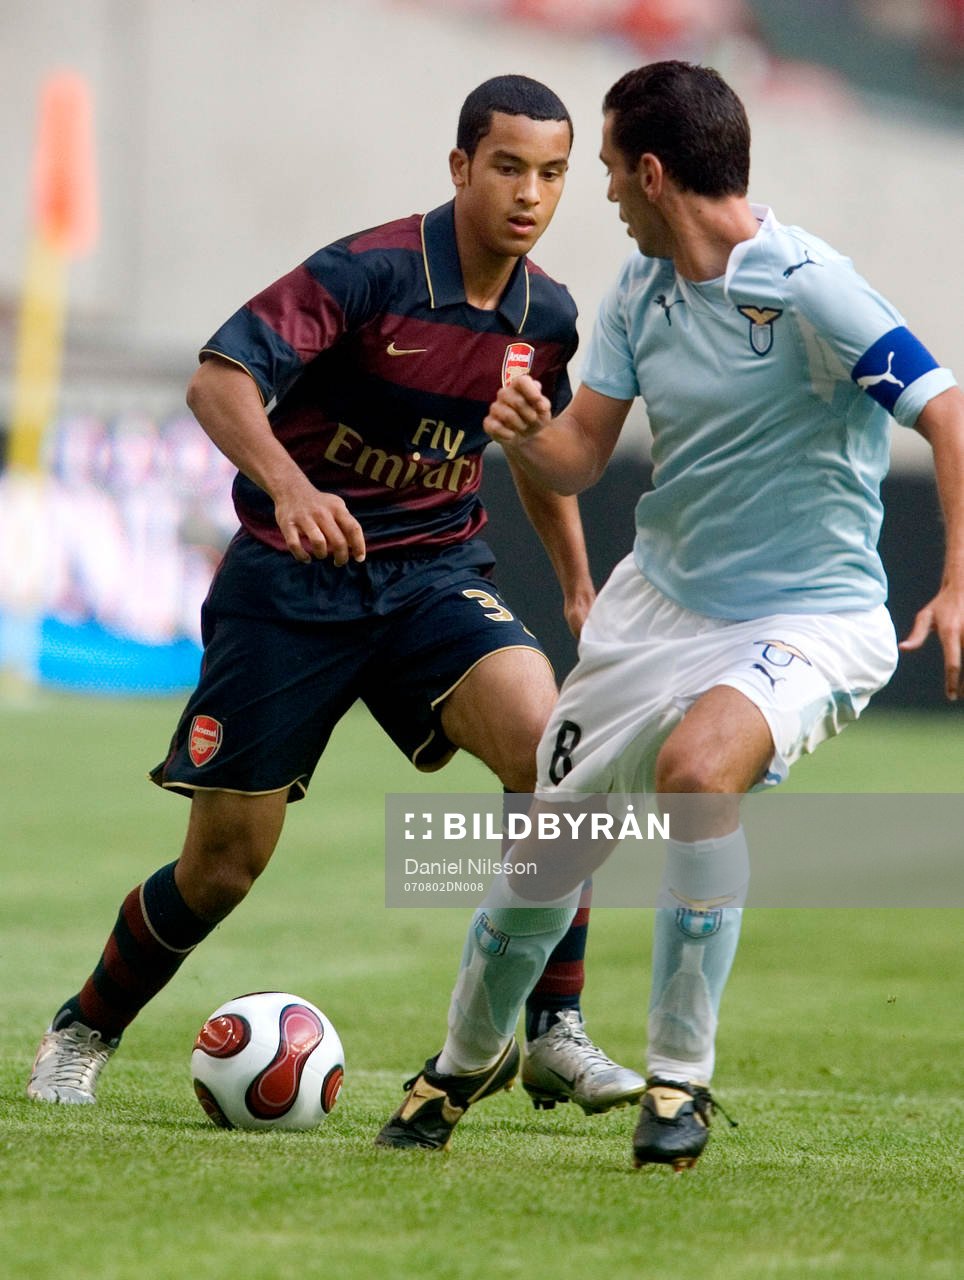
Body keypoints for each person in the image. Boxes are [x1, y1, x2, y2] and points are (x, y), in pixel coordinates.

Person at [375, 61, 964, 1167]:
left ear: (652, 173)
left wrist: (957, 580)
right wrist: (518, 428)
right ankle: (458, 1065)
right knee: (548, 850)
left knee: (700, 775)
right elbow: (581, 451)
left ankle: (676, 1086)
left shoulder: (809, 285)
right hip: (657, 611)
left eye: (603, 170)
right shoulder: (639, 296)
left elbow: (946, 410)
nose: (597, 193)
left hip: (813, 612)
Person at [26, 75, 645, 1115]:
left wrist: (579, 580)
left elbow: (534, 444)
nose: (528, 193)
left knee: (552, 752)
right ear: (460, 168)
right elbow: (219, 378)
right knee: (224, 864)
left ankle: (554, 1028)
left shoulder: (548, 313)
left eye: (549, 172)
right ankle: (84, 1026)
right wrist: (293, 483)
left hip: (432, 575)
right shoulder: (367, 272)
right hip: (289, 586)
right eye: (506, 166)